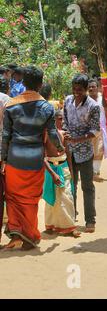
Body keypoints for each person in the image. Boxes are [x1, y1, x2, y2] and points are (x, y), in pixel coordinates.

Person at [1, 66, 64, 250]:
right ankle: (29, 236)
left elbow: (6, 136)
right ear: (40, 84)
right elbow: (52, 135)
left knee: (13, 198)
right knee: (31, 200)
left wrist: (3, 159)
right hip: (35, 160)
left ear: (22, 82)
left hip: (14, 160)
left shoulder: (11, 105)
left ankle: (17, 233)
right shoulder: (46, 107)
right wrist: (60, 149)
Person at [63, 74, 101, 233]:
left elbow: (95, 130)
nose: (76, 92)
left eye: (80, 89)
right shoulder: (67, 101)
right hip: (69, 151)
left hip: (85, 150)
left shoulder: (93, 106)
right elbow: (64, 121)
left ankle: (90, 220)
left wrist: (78, 139)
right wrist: (65, 134)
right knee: (71, 185)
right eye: (74, 89)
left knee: (87, 186)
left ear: (86, 90)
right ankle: (72, 216)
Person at [43, 110, 80, 238]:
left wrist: (70, 170)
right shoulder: (46, 135)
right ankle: (50, 225)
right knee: (51, 198)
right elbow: (42, 157)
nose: (61, 121)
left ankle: (70, 226)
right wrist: (52, 173)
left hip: (63, 166)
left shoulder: (64, 134)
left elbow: (68, 154)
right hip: (51, 167)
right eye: (59, 118)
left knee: (67, 196)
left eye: (62, 119)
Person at [88, 79, 107, 180]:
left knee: (100, 150)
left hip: (101, 129)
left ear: (98, 87)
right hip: (88, 130)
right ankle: (91, 170)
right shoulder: (86, 100)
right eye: (90, 87)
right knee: (90, 150)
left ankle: (95, 170)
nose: (91, 88)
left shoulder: (102, 99)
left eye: (93, 86)